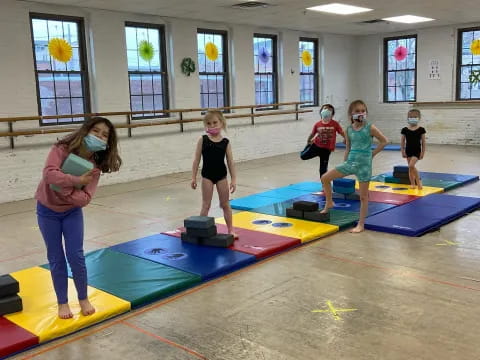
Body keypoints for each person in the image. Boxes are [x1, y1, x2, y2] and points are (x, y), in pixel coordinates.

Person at [35, 117, 122, 319]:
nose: (99, 136)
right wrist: (76, 181)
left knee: (76, 255)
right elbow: (49, 175)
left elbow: (84, 199)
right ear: (85, 131)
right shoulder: (62, 148)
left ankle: (83, 298)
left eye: (105, 135)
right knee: (56, 257)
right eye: (96, 131)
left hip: (72, 212)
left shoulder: (95, 166)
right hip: (47, 211)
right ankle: (62, 302)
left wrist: (62, 188)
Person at [320, 100, 388, 233]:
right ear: (351, 114)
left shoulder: (370, 127)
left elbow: (384, 141)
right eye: (357, 111)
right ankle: (329, 202)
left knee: (363, 196)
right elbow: (347, 148)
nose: (361, 113)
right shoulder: (349, 129)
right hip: (350, 162)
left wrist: (372, 154)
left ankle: (361, 224)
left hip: (364, 165)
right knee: (325, 178)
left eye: (363, 111)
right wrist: (344, 162)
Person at [191, 110, 237, 238]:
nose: (212, 125)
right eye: (209, 123)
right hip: (207, 176)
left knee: (225, 204)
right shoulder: (203, 139)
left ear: (221, 123)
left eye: (215, 122)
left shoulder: (225, 142)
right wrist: (193, 177)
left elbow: (230, 162)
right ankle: (199, 231)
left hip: (221, 176)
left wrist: (233, 179)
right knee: (206, 204)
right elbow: (196, 160)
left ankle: (230, 229)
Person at [303, 104, 346, 178]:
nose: (326, 110)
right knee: (303, 156)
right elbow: (312, 133)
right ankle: (310, 147)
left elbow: (342, 132)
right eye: (325, 109)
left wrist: (346, 138)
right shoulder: (318, 124)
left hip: (326, 150)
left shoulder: (335, 124)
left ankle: (324, 184)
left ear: (332, 114)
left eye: (329, 110)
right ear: (321, 112)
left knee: (323, 169)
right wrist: (308, 141)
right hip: (316, 146)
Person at [401, 109, 426, 189]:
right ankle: (412, 184)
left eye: (415, 117)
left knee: (411, 165)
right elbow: (402, 141)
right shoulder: (405, 129)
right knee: (410, 168)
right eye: (411, 117)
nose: (413, 118)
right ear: (408, 118)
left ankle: (418, 182)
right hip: (408, 150)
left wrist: (422, 152)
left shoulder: (421, 129)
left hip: (417, 151)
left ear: (419, 118)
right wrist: (402, 151)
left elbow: (423, 142)